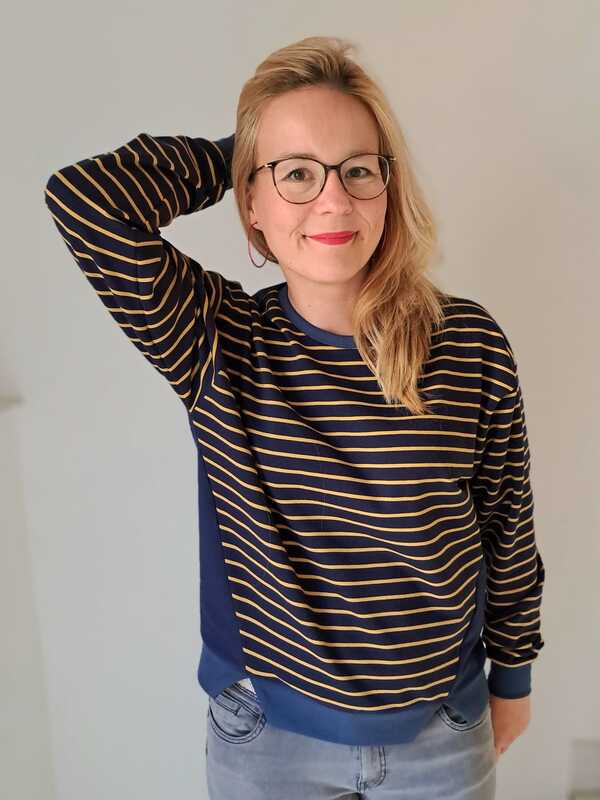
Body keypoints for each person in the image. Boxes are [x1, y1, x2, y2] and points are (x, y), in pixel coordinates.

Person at [44, 34, 545, 800]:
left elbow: (507, 523)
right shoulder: (216, 341)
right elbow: (85, 200)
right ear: (251, 200)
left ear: (389, 185)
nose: (334, 200)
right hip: (266, 736)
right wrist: (246, 152)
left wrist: (513, 675)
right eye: (298, 174)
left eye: (358, 169)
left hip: (441, 729)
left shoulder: (467, 342)